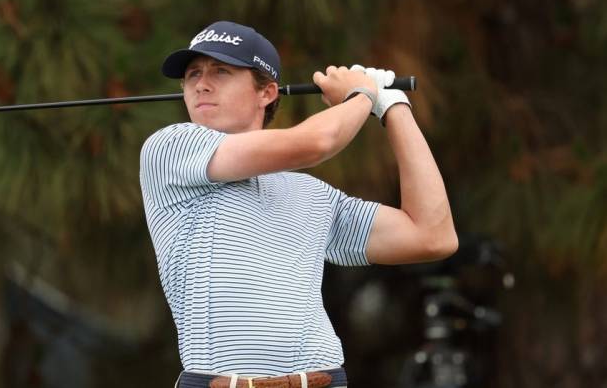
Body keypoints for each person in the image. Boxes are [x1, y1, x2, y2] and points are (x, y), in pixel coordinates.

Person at [139, 21, 458, 388]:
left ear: (267, 92)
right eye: (192, 74)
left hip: (322, 379)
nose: (201, 84)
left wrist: (394, 108)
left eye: (221, 71)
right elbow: (316, 143)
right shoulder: (172, 149)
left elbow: (432, 235)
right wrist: (361, 95)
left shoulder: (313, 195)